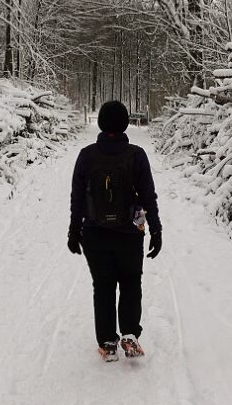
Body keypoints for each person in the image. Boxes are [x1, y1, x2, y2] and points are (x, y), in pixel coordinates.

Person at [68, 100, 163, 362]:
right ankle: (130, 335)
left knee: (104, 286)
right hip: (131, 233)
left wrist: (74, 231)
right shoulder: (137, 155)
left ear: (100, 123)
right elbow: (148, 196)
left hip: (95, 233)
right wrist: (155, 230)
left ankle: (108, 342)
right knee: (131, 283)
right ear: (125, 124)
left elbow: (77, 198)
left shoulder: (87, 155)